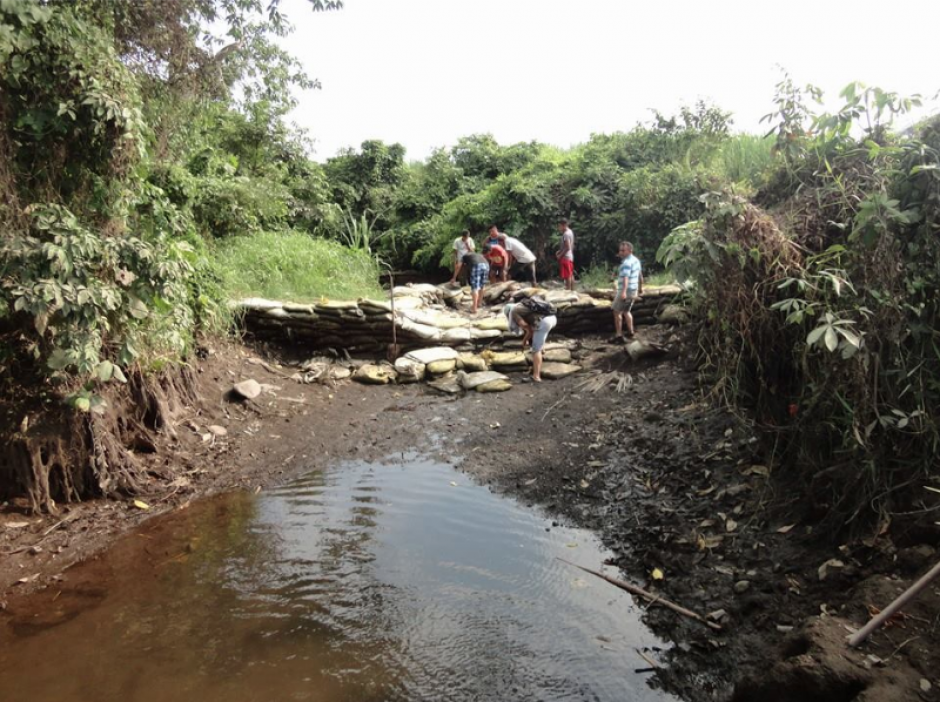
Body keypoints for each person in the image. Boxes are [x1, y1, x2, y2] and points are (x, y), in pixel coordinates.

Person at [505, 298, 557, 383]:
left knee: (536, 350)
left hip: (544, 322)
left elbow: (529, 330)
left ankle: (536, 377)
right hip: (553, 318)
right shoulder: (524, 305)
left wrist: (524, 340)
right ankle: (541, 355)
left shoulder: (514, 312)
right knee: (538, 342)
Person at [611, 241, 643, 343]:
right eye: (620, 250)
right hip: (633, 289)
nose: (620, 252)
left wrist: (623, 292)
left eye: (623, 250)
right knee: (626, 311)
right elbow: (640, 276)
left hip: (626, 290)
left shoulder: (626, 263)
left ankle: (618, 335)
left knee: (616, 311)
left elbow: (626, 278)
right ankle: (631, 332)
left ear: (630, 250)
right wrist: (640, 288)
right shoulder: (636, 261)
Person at [556, 218, 575, 291]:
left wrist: (560, 255)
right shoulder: (570, 232)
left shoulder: (566, 234)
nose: (559, 228)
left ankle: (568, 290)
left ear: (564, 225)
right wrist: (559, 251)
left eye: (559, 226)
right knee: (570, 274)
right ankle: (572, 290)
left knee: (567, 276)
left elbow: (567, 247)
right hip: (569, 256)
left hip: (566, 257)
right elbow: (570, 245)